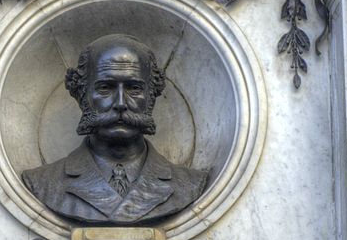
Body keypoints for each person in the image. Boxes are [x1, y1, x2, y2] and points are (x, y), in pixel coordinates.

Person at [21, 34, 210, 224]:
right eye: (105, 88)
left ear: (151, 96)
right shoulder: (44, 183)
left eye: (134, 88)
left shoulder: (189, 184)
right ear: (81, 95)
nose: (120, 103)